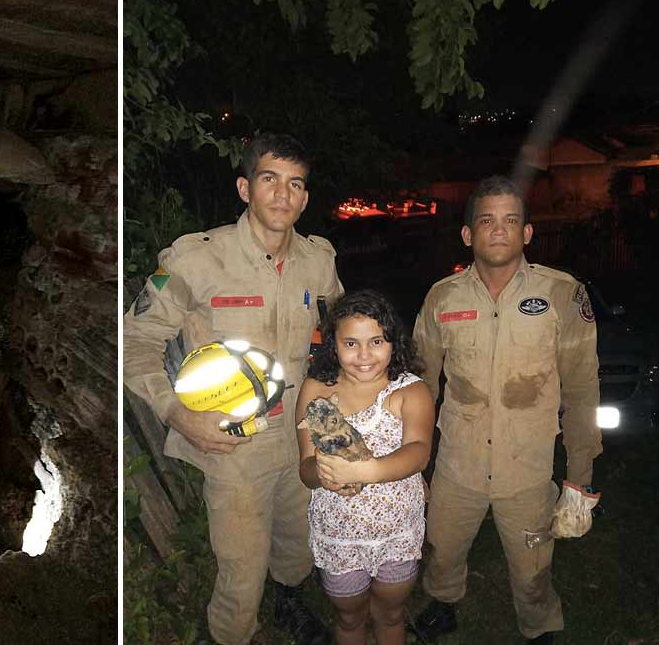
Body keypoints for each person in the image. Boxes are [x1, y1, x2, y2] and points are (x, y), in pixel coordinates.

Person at [124, 132, 342, 645]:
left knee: (298, 545)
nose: (283, 195)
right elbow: (134, 342)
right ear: (245, 188)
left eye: (295, 184)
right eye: (270, 180)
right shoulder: (198, 261)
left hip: (305, 434)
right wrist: (176, 414)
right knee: (241, 571)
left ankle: (288, 602)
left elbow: (336, 333)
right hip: (235, 444)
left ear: (305, 197)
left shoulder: (320, 262)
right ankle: (233, 634)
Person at [410, 176, 602, 645]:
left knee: (534, 565)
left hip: (528, 471)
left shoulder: (562, 294)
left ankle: (538, 625)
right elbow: (418, 386)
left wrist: (580, 477)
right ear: (467, 233)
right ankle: (444, 601)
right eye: (487, 220)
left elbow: (581, 389)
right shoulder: (442, 297)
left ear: (527, 233)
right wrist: (411, 464)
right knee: (442, 552)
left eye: (511, 220)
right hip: (458, 465)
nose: (499, 230)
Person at [296, 289, 434, 645]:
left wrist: (364, 471)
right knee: (349, 617)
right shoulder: (316, 390)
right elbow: (306, 469)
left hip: (396, 533)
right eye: (351, 343)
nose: (364, 355)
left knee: (391, 615)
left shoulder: (410, 391)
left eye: (376, 341)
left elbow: (419, 452)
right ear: (333, 344)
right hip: (340, 536)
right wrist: (324, 475)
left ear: (393, 341)